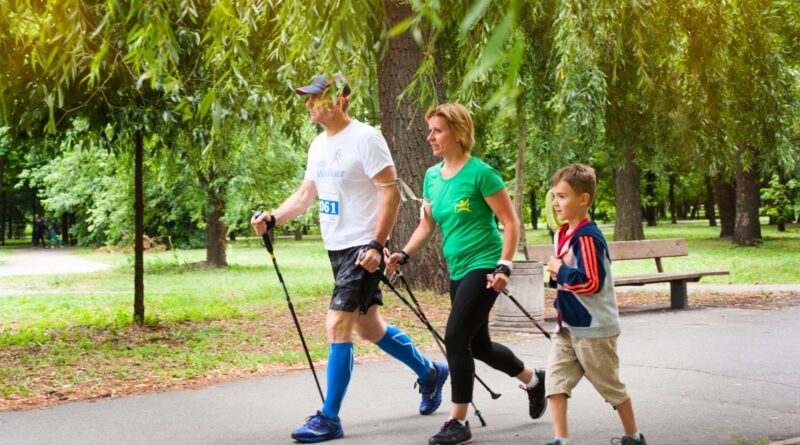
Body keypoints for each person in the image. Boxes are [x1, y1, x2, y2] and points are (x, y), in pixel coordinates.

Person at [251, 75, 448, 443]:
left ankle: (329, 417)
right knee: (369, 328)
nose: (308, 104)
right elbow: (306, 195)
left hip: (363, 247)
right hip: (336, 247)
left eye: (315, 98)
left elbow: (389, 196)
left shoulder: (366, 139)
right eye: (306, 99)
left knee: (337, 323)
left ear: (340, 99)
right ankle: (430, 373)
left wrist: (376, 244)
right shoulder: (318, 145)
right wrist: (273, 218)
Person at [385, 103, 547, 445]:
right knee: (479, 345)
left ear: (459, 133)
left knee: (456, 338)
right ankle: (534, 379)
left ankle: (458, 421)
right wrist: (404, 254)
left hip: (485, 263)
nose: (430, 136)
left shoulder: (481, 174)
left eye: (437, 130)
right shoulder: (432, 176)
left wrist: (505, 264)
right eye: (429, 130)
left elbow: (511, 222)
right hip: (457, 268)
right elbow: (427, 224)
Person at [544, 164, 646, 445]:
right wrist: (558, 274)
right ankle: (560, 440)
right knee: (555, 383)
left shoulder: (587, 238)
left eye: (562, 196)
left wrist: (559, 270)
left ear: (583, 199)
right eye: (554, 196)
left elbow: (591, 283)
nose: (556, 202)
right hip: (568, 326)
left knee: (610, 387)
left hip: (595, 329)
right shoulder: (562, 234)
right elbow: (566, 277)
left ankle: (633, 437)